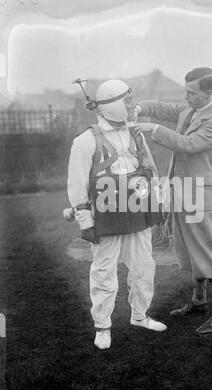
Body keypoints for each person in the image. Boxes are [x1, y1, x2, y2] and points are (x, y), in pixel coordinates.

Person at [67, 79, 167, 350]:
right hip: (105, 217)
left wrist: (159, 203)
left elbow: (151, 170)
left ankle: (140, 316)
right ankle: (102, 326)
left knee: (144, 267)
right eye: (128, 101)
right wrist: (85, 222)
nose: (133, 106)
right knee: (104, 271)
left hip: (139, 212)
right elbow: (77, 186)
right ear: (113, 105)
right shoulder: (85, 141)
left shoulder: (136, 134)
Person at [134, 67, 212, 335]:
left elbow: (187, 144)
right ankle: (199, 302)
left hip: (201, 196)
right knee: (189, 251)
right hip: (183, 191)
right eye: (185, 91)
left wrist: (154, 129)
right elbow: (162, 107)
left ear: (208, 93)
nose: (185, 96)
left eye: (192, 92)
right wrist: (139, 108)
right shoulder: (190, 110)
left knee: (208, 254)